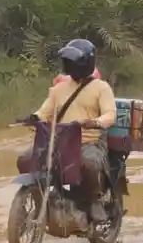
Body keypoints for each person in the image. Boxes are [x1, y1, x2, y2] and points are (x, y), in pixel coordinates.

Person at [32, 39, 116, 223]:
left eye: (72, 61)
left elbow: (110, 114)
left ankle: (95, 200)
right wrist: (34, 117)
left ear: (85, 62)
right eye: (67, 61)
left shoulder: (101, 88)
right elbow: (45, 111)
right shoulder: (58, 89)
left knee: (89, 162)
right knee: (28, 159)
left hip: (89, 141)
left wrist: (95, 122)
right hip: (60, 142)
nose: (68, 65)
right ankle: (44, 200)